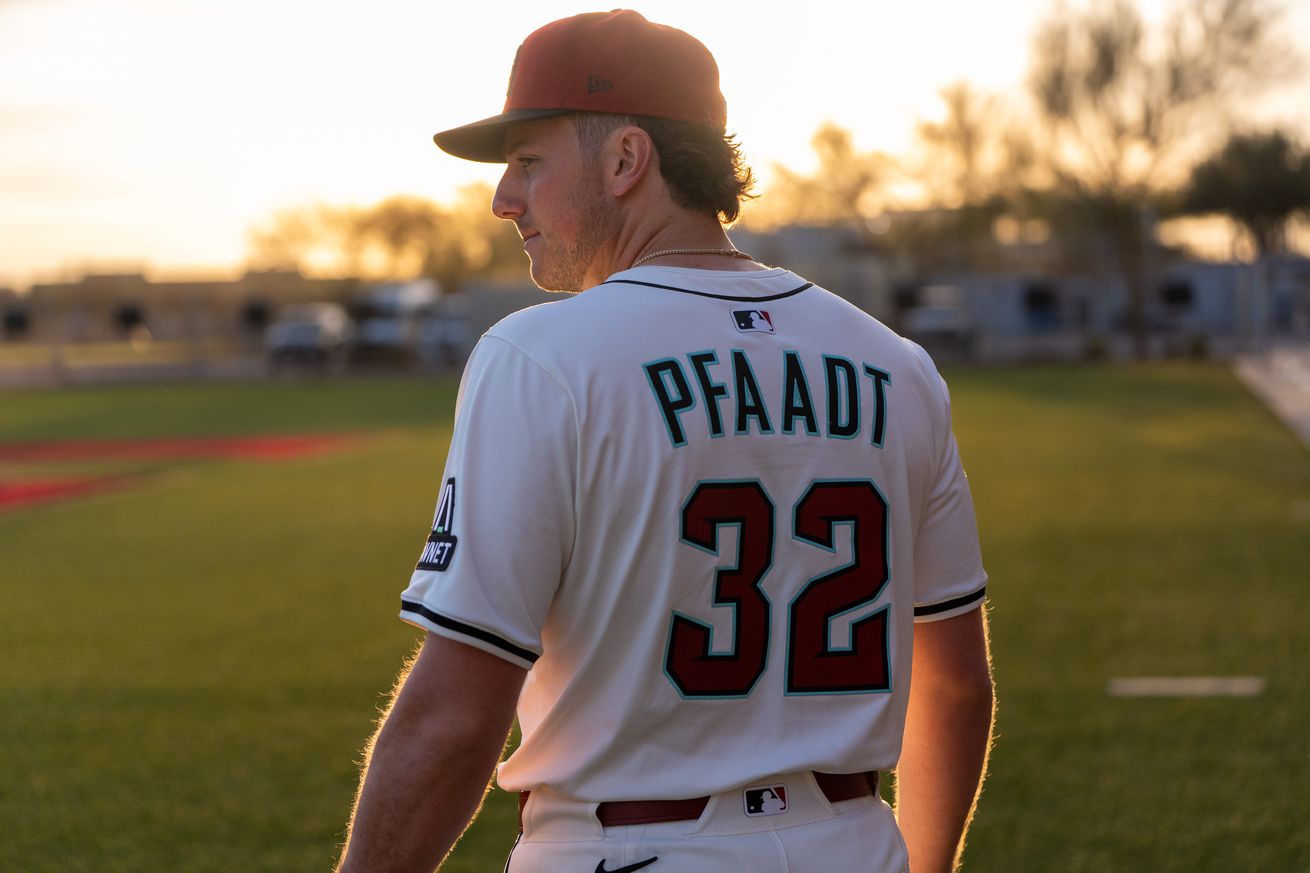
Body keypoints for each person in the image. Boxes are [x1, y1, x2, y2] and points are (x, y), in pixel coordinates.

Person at [336, 10, 994, 873]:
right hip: (853, 842)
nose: (503, 198)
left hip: (627, 848)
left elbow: (456, 713)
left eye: (528, 162)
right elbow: (952, 681)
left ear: (625, 161)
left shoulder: (541, 357)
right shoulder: (896, 363)